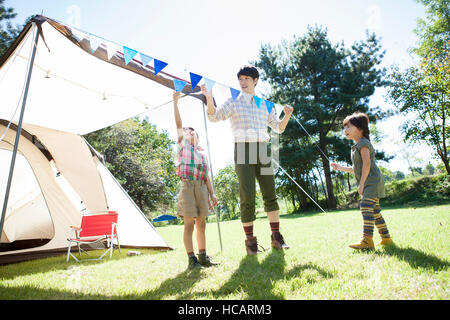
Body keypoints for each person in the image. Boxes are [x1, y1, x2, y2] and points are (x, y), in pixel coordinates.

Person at [201, 65, 294, 255]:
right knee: (247, 196)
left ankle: (277, 239)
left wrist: (287, 116)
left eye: (246, 79)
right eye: (240, 79)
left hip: (262, 149)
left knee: (270, 194)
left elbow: (278, 128)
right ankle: (251, 244)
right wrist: (209, 98)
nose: (243, 83)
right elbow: (214, 116)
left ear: (255, 80)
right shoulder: (233, 100)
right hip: (243, 149)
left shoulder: (265, 104)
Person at [331, 112, 394, 250]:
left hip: (372, 181)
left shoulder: (363, 143)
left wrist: (361, 184)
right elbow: (357, 169)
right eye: (344, 127)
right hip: (370, 181)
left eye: (349, 127)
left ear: (360, 129)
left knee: (365, 206)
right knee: (375, 212)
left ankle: (367, 240)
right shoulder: (356, 146)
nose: (345, 130)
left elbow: (367, 165)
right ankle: (386, 238)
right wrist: (340, 167)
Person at [173, 91, 219, 269]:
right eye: (187, 131)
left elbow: (206, 177)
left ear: (197, 137)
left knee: (201, 223)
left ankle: (203, 256)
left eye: (192, 131)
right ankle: (191, 259)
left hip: (201, 188)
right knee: (189, 224)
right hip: (187, 187)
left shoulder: (202, 154)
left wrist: (212, 194)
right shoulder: (183, 146)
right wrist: (175, 103)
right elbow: (178, 124)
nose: (189, 132)